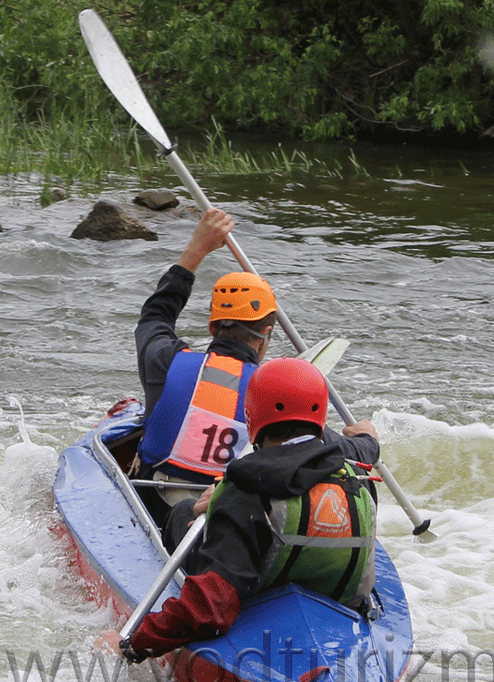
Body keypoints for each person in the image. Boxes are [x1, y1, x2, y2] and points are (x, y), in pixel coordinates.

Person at [118, 356, 381, 662]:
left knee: (184, 512)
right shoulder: (357, 480)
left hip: (258, 623)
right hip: (338, 622)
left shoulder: (244, 491)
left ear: (252, 416)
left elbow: (210, 610)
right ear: (320, 417)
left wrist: (135, 645)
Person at [132, 207, 374, 526]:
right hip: (228, 518)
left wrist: (197, 249)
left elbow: (155, 316)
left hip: (155, 504)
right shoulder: (275, 393)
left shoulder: (166, 359)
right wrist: (367, 440)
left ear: (212, 327)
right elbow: (341, 451)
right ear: (265, 336)